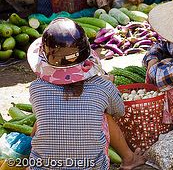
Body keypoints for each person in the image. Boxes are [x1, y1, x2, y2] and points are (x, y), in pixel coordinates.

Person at [28, 18, 145, 170]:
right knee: (104, 115)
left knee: (44, 118)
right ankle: (129, 159)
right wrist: (107, 85)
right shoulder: (102, 85)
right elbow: (119, 111)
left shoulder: (37, 87)